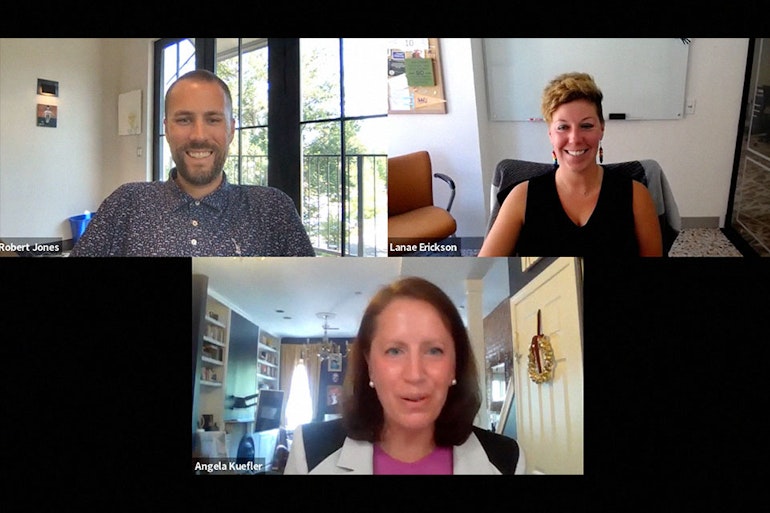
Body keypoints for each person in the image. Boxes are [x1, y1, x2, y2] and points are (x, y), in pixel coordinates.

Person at [284, 276, 524, 474]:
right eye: (395, 351)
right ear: (369, 365)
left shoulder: (506, 461)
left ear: (455, 365)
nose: (415, 374)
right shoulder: (311, 452)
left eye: (434, 350)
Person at [71, 69, 315, 257]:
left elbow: (311, 296)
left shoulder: (273, 210)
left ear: (231, 129)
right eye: (184, 120)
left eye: (213, 119)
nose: (199, 136)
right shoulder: (126, 204)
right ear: (167, 129)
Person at [479, 72, 662, 257]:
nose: (575, 138)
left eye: (586, 126)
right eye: (563, 127)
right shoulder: (521, 197)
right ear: (550, 134)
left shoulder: (636, 196)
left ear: (601, 129)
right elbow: (486, 269)